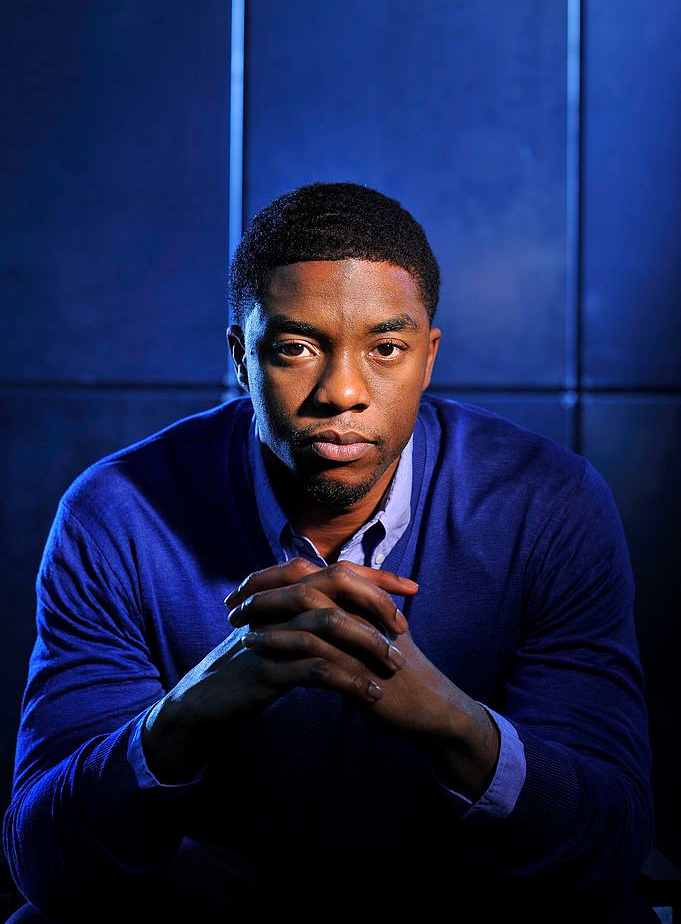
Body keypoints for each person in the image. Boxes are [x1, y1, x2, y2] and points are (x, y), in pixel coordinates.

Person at [3, 183, 655, 923]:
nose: (342, 391)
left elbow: (609, 845)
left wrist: (453, 723)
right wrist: (186, 714)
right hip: (219, 899)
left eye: (385, 349)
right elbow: (47, 864)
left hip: (469, 898)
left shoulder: (546, 501)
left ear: (428, 356)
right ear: (241, 359)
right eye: (294, 348)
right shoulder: (118, 512)